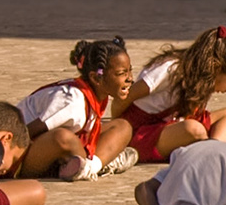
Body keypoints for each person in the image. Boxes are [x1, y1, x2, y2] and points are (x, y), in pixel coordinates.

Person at [105, 26, 226, 164]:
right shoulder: (171, 69)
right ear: (216, 67)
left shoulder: (204, 80)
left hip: (178, 124)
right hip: (143, 133)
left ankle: (212, 150)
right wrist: (117, 134)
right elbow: (124, 98)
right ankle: (208, 148)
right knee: (194, 129)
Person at [16, 38, 140, 181]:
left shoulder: (97, 94)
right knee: (63, 137)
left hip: (62, 154)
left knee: (122, 126)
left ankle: (92, 167)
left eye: (129, 71)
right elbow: (28, 132)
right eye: (121, 73)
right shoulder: (72, 102)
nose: (130, 78)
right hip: (23, 154)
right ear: (96, 78)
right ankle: (97, 163)